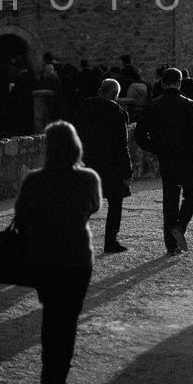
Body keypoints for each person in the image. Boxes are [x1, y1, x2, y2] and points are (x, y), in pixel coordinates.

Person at [13, 121, 102, 384]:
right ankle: (58, 382)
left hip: (43, 257)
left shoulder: (34, 180)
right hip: (76, 256)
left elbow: (21, 217)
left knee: (51, 316)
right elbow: (93, 208)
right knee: (68, 320)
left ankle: (48, 374)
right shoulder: (88, 178)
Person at [134, 68, 193, 256]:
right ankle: (180, 226)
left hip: (166, 159)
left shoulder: (153, 105)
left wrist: (156, 148)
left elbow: (139, 134)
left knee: (170, 200)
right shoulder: (189, 104)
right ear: (179, 82)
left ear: (163, 83)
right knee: (192, 193)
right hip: (186, 157)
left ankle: (171, 245)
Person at [74, 79, 133, 253]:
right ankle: (110, 241)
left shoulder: (83, 109)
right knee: (115, 204)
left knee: (87, 203)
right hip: (111, 166)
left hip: (88, 162)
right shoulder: (117, 114)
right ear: (115, 95)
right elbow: (122, 146)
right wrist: (127, 170)